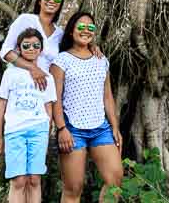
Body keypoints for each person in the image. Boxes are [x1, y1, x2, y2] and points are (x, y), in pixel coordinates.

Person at [50, 11, 123, 203]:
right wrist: (61, 128)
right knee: (73, 187)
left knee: (114, 180)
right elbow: (55, 98)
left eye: (90, 27)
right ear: (72, 31)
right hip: (72, 129)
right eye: (80, 27)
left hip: (100, 128)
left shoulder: (101, 60)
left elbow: (107, 96)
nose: (85, 31)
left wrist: (115, 127)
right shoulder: (61, 60)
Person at [0, 28, 57, 203]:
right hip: (15, 131)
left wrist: (46, 134)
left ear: (41, 48)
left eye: (36, 45)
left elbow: (49, 108)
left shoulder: (48, 78)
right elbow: (1, 104)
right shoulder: (11, 74)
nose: (31, 49)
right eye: (26, 45)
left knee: (34, 179)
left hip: (39, 131)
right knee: (19, 180)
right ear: (19, 49)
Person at [1, 0, 66, 90]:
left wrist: (93, 47)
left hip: (45, 88)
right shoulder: (25, 20)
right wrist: (33, 68)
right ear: (40, 1)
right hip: (20, 83)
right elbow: (6, 52)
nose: (52, 1)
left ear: (60, 5)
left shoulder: (60, 34)